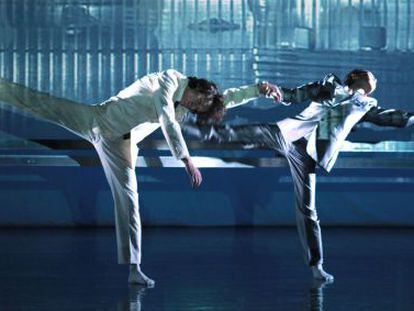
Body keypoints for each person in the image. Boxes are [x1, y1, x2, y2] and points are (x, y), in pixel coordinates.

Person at [0, 69, 277, 286]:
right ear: (196, 86)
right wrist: (186, 160)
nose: (195, 107)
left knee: (130, 202)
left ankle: (135, 268)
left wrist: (259, 90)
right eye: (198, 101)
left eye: (200, 108)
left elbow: (225, 98)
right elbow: (166, 118)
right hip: (97, 120)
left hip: (120, 145)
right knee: (42, 103)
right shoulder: (170, 80)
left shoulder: (188, 107)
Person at [190, 69, 414, 282]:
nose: (375, 78)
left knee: (307, 209)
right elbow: (294, 95)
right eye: (371, 75)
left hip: (308, 153)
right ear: (356, 77)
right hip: (285, 133)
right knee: (240, 133)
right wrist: (276, 91)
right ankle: (193, 129)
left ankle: (316, 265)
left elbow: (391, 117)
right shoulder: (329, 84)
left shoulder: (366, 104)